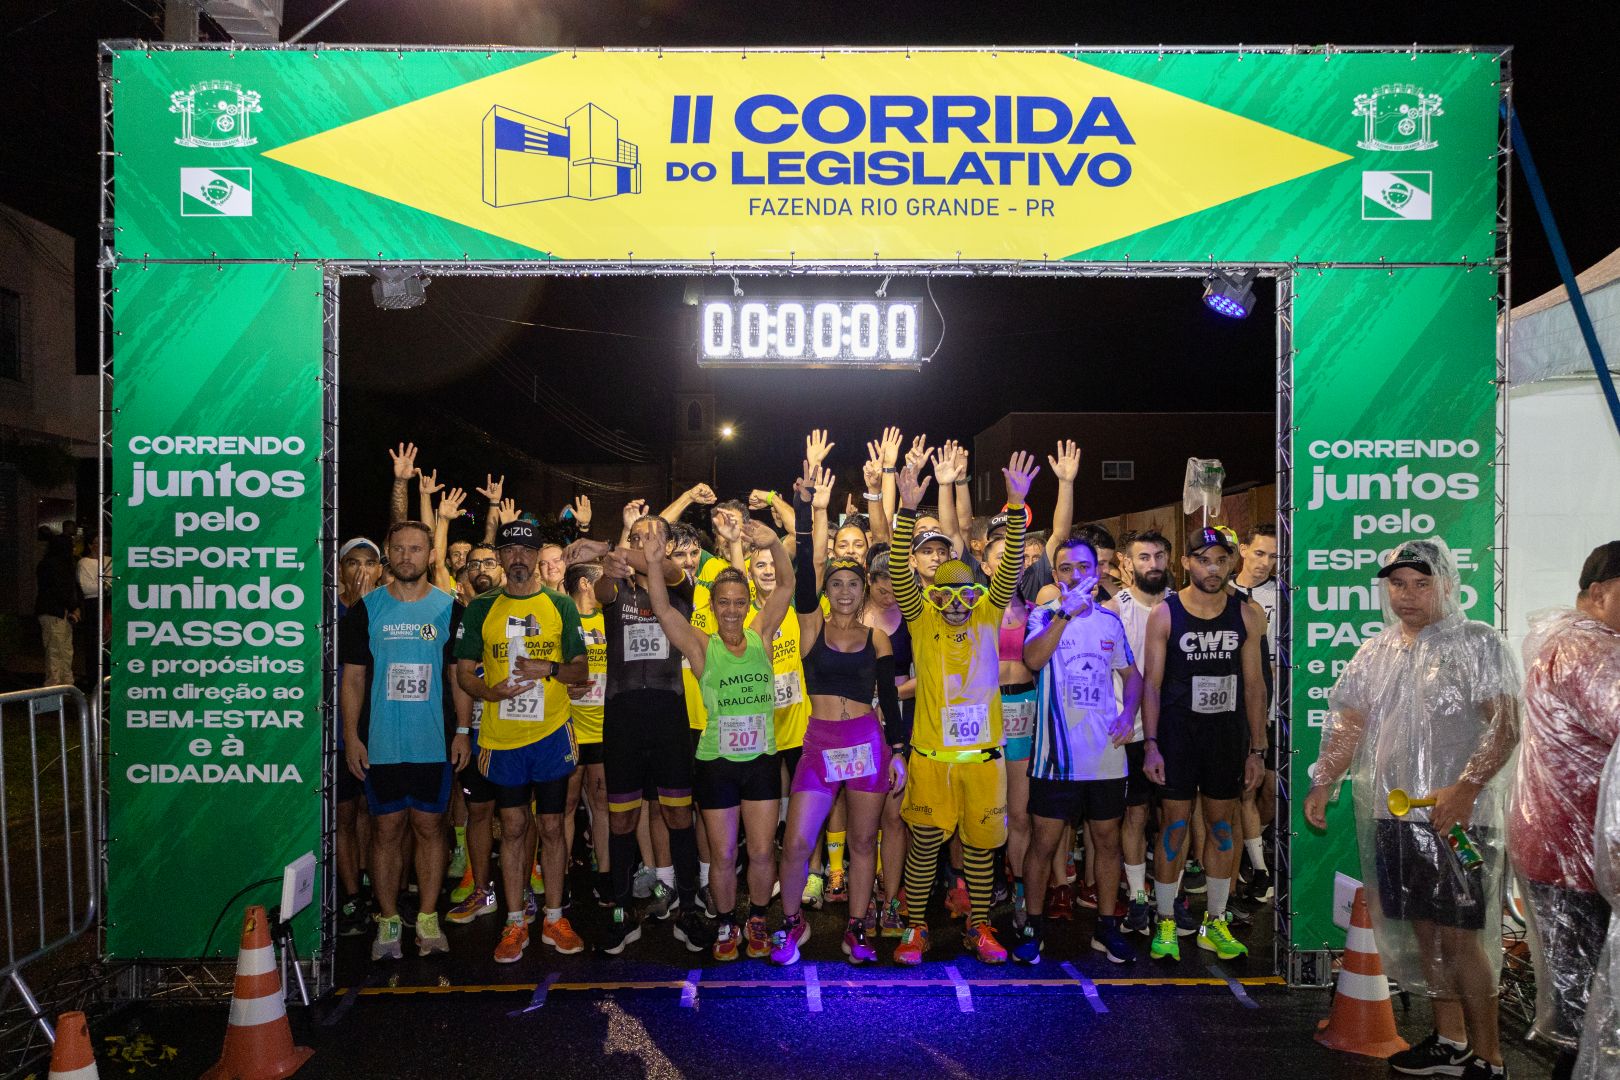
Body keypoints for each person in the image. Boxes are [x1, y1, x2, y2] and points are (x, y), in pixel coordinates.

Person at [1305, 538, 1520, 1080]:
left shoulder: (1478, 643)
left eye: (1421, 583)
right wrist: (1324, 780)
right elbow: (1347, 721)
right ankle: (1450, 1041)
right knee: (1427, 932)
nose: (1407, 595)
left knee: (1462, 937)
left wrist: (1466, 789)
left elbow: (1506, 723)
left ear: (1447, 583)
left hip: (1458, 821)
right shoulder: (1377, 651)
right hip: (1397, 814)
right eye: (1397, 584)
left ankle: (1489, 1058)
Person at [890, 452, 1038, 965]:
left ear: (975, 592)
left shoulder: (987, 614)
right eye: (945, 591)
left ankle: (980, 928)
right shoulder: (919, 617)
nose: (955, 599)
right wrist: (906, 511)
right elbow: (898, 571)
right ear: (932, 592)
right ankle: (914, 929)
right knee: (925, 848)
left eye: (964, 591)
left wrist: (1016, 505)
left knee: (980, 852)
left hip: (983, 761)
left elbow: (1011, 567)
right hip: (932, 758)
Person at [772, 463, 907, 965]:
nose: (846, 591)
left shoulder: (878, 637)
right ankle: (790, 924)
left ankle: (857, 927)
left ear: (863, 588)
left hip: (868, 743)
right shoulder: (811, 629)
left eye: (853, 584)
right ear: (828, 591)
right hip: (821, 742)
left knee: (863, 841)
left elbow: (890, 700)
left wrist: (898, 752)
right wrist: (808, 510)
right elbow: (804, 577)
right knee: (796, 842)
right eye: (838, 584)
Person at [647, 516, 793, 961]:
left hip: (763, 761)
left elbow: (785, 586)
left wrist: (774, 544)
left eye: (738, 602)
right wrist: (654, 561)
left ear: (748, 603)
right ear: (712, 606)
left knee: (764, 850)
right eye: (723, 603)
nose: (731, 610)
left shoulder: (762, 636)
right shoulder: (700, 646)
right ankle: (727, 922)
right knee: (725, 853)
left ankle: (758, 920)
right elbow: (663, 609)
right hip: (716, 763)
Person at [454, 519, 590, 963]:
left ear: (536, 556)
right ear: (499, 557)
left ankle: (554, 915)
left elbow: (580, 671)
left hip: (550, 734)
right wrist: (486, 691)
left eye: (525, 551)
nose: (517, 559)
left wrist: (548, 669)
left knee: (552, 826)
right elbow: (463, 670)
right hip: (501, 737)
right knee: (512, 828)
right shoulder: (481, 608)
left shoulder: (559, 606)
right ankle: (515, 922)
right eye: (508, 552)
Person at [1510, 541, 1620, 1080]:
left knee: (1587, 1018)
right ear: (1598, 594)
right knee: (1593, 1024)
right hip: (1579, 859)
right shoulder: (1587, 650)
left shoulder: (1565, 641)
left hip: (1565, 850)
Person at [340, 520, 469, 960]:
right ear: (388, 556)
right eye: (399, 549)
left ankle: (429, 917)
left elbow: (459, 679)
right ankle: (389, 919)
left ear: (431, 555)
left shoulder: (449, 609)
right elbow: (353, 679)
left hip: (433, 741)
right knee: (385, 829)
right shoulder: (366, 609)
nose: (408, 556)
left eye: (416, 549)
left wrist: (464, 732)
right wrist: (351, 738)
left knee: (431, 828)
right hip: (381, 743)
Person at [1141, 526, 1268, 963]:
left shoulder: (1248, 616)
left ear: (1232, 562)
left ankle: (1215, 921)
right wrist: (1152, 744)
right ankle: (1166, 922)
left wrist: (1258, 749)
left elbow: (1255, 685)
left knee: (1220, 827)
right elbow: (1151, 686)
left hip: (1225, 738)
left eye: (1220, 560)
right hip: (1178, 738)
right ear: (1187, 563)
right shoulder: (1166, 614)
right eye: (1204, 560)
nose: (1213, 569)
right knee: (1174, 828)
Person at [1014, 535, 1142, 965]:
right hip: (1054, 759)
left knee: (1107, 843)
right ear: (1056, 576)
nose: (1075, 576)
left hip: (1106, 757)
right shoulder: (1044, 615)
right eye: (1066, 569)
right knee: (1042, 846)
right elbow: (1032, 659)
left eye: (1083, 568)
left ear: (1098, 571)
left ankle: (1105, 926)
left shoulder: (1110, 621)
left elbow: (1134, 674)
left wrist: (1129, 716)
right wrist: (1063, 615)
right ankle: (1033, 925)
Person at [594, 512, 715, 955]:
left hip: (669, 711)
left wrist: (616, 551)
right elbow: (602, 588)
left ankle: (688, 909)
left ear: (666, 546)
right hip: (622, 712)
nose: (644, 545)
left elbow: (665, 568)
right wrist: (607, 568)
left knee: (679, 814)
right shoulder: (616, 587)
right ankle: (622, 912)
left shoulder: (679, 581)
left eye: (652, 539)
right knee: (622, 817)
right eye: (636, 537)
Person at [1105, 529, 1183, 937]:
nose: (1152, 564)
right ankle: (1137, 895)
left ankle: (1173, 897)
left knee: (1176, 818)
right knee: (1134, 815)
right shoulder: (1114, 609)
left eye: (1159, 556)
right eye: (1143, 557)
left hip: (1177, 730)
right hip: (1132, 733)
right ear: (1127, 563)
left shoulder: (1183, 605)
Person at [446, 545, 503, 924]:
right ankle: (483, 891)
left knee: (518, 817)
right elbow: (459, 678)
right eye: (473, 564)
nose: (480, 568)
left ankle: (525, 895)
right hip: (478, 732)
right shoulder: (462, 617)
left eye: (488, 562)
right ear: (464, 573)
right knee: (478, 812)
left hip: (519, 733)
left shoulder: (521, 608)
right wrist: (463, 731)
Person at [863, 543, 916, 938]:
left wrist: (890, 694)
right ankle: (863, 900)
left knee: (895, 817)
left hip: (902, 720)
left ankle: (892, 900)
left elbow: (928, 674)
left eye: (897, 587)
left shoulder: (913, 619)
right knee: (864, 820)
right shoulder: (852, 613)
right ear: (870, 581)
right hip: (861, 724)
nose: (890, 595)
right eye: (883, 588)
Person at [1232, 524, 1279, 903]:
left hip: (1277, 708)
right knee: (1245, 789)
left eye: (1274, 556)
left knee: (1272, 786)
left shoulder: (1285, 594)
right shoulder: (1224, 594)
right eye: (1260, 553)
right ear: (1243, 549)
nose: (1265, 563)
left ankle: (1254, 843)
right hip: (1240, 708)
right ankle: (1257, 865)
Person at [34, 528, 80, 688]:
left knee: (61, 649)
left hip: (54, 611)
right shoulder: (58, 565)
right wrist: (74, 607)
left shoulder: (48, 563)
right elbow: (61, 589)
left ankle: (63, 684)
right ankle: (57, 685)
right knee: (59, 650)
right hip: (55, 612)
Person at [74, 530, 108, 689]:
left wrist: (103, 585)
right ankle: (94, 679)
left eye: (105, 543)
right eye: (97, 543)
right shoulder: (84, 563)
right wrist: (106, 585)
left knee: (108, 642)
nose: (102, 546)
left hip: (109, 605)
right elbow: (87, 587)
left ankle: (108, 677)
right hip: (93, 605)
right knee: (94, 643)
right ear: (90, 545)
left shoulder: (110, 560)